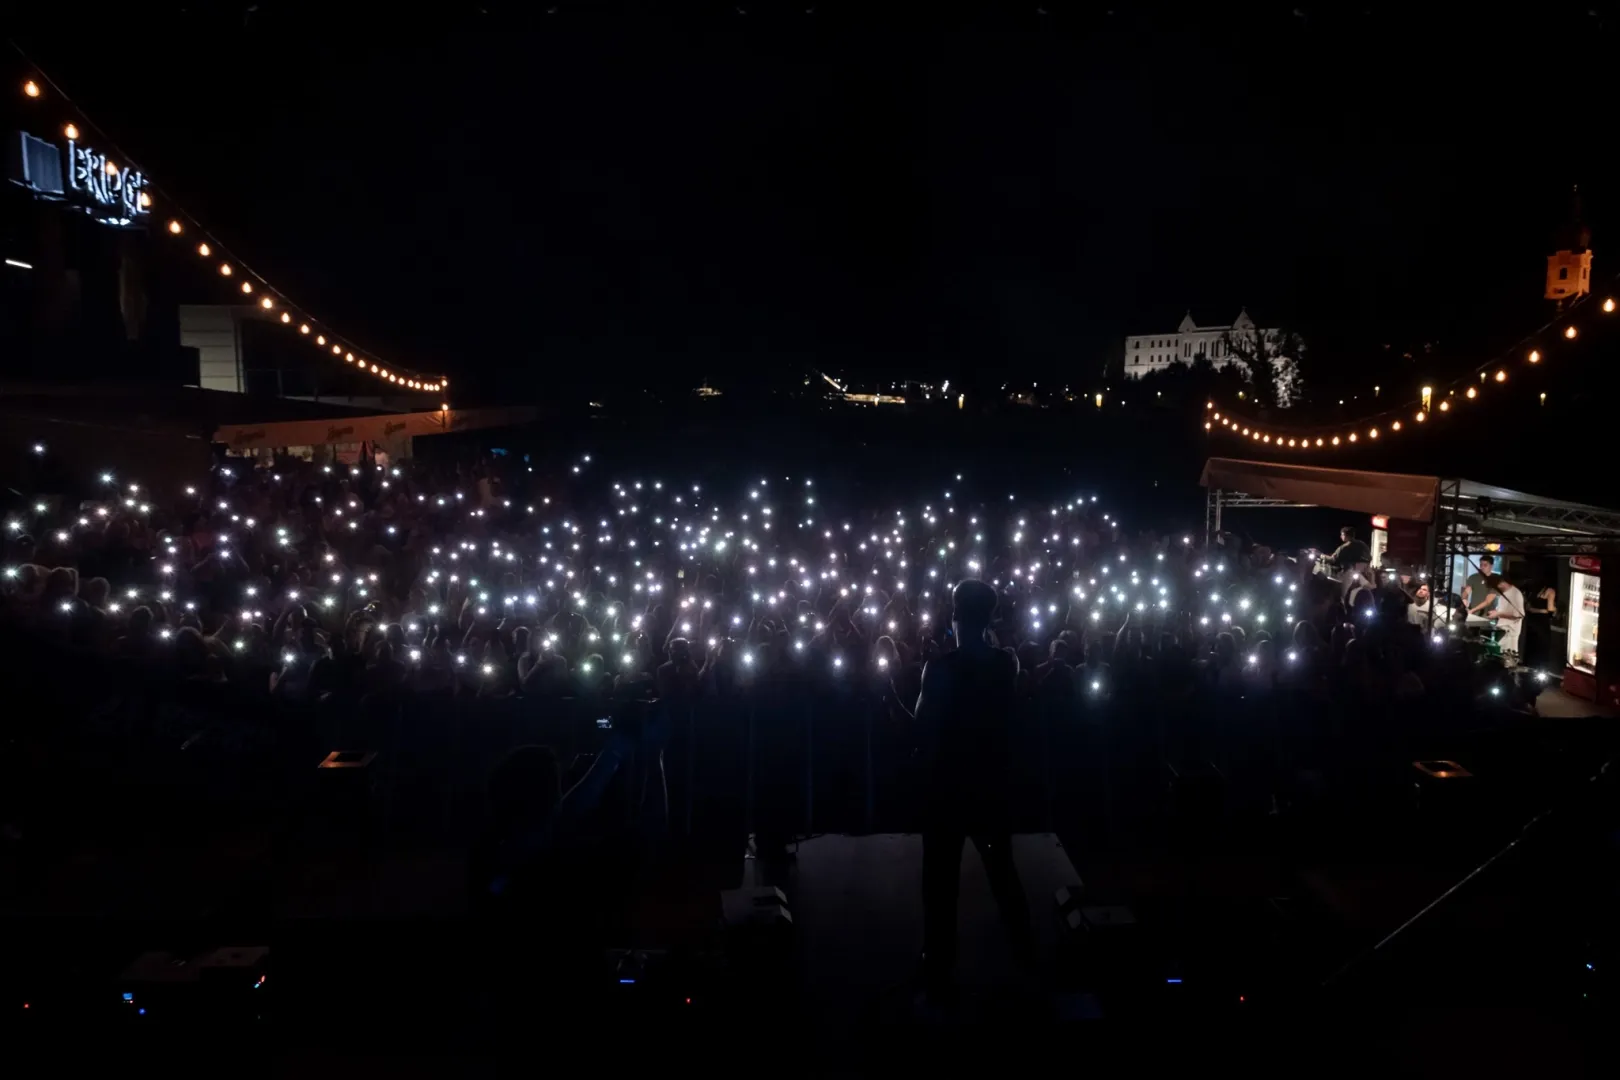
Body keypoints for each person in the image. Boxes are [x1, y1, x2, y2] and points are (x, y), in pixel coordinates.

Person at [912, 578, 1036, 1008]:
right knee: (1002, 872)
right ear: (989, 616)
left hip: (948, 790)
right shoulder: (1008, 663)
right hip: (990, 787)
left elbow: (924, 727)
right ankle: (1029, 959)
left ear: (954, 615)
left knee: (940, 881)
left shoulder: (941, 669)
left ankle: (939, 966)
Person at [1484, 572, 1526, 659]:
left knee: (1507, 660)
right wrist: (1495, 612)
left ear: (1501, 583)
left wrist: (1499, 613)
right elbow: (1502, 609)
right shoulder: (1504, 594)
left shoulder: (1515, 593)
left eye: (1496, 587)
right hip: (1502, 631)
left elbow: (1519, 614)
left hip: (1510, 633)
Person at [1524, 579, 1558, 669]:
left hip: (1531, 623)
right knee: (1542, 648)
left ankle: (1528, 668)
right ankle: (1540, 670)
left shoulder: (1532, 590)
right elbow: (1550, 610)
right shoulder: (1550, 591)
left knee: (1531, 647)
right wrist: (1555, 609)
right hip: (1542, 624)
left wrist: (1533, 610)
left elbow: (1528, 608)